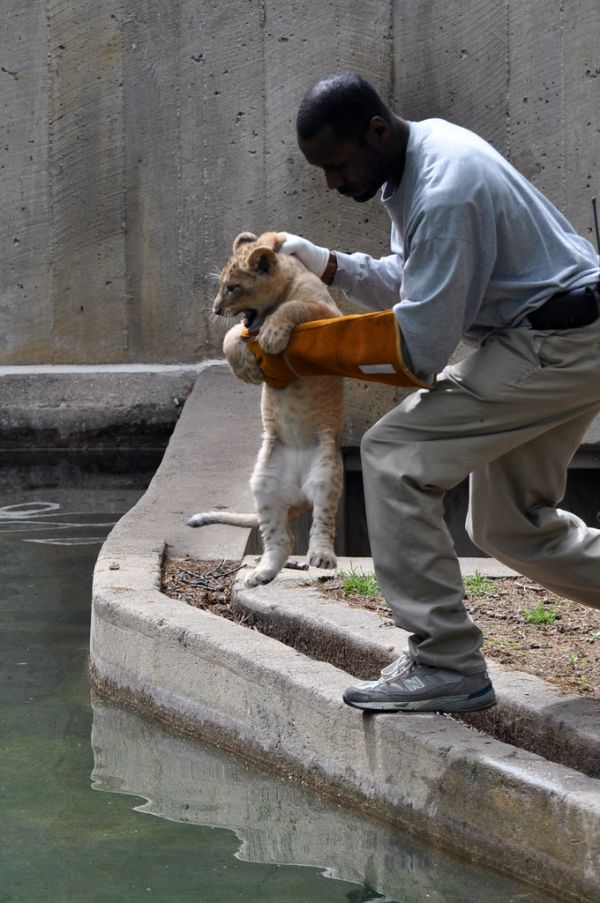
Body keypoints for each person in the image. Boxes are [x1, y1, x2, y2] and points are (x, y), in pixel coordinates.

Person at [280, 71, 600, 714]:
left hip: (553, 343)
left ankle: (445, 662)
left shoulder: (446, 186)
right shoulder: (420, 156)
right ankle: (446, 661)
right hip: (562, 336)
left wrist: (295, 349)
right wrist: (329, 265)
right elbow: (416, 278)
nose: (333, 184)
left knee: (395, 453)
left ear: (375, 131)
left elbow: (419, 352)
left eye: (337, 166)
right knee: (509, 525)